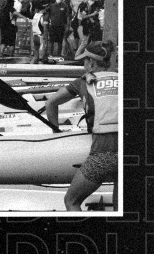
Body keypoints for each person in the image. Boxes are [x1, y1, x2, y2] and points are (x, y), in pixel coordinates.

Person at [45, 40, 118, 211]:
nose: (83, 63)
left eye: (85, 60)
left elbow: (51, 103)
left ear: (91, 62)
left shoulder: (83, 82)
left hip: (103, 154)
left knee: (71, 201)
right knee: (119, 205)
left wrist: (56, 132)